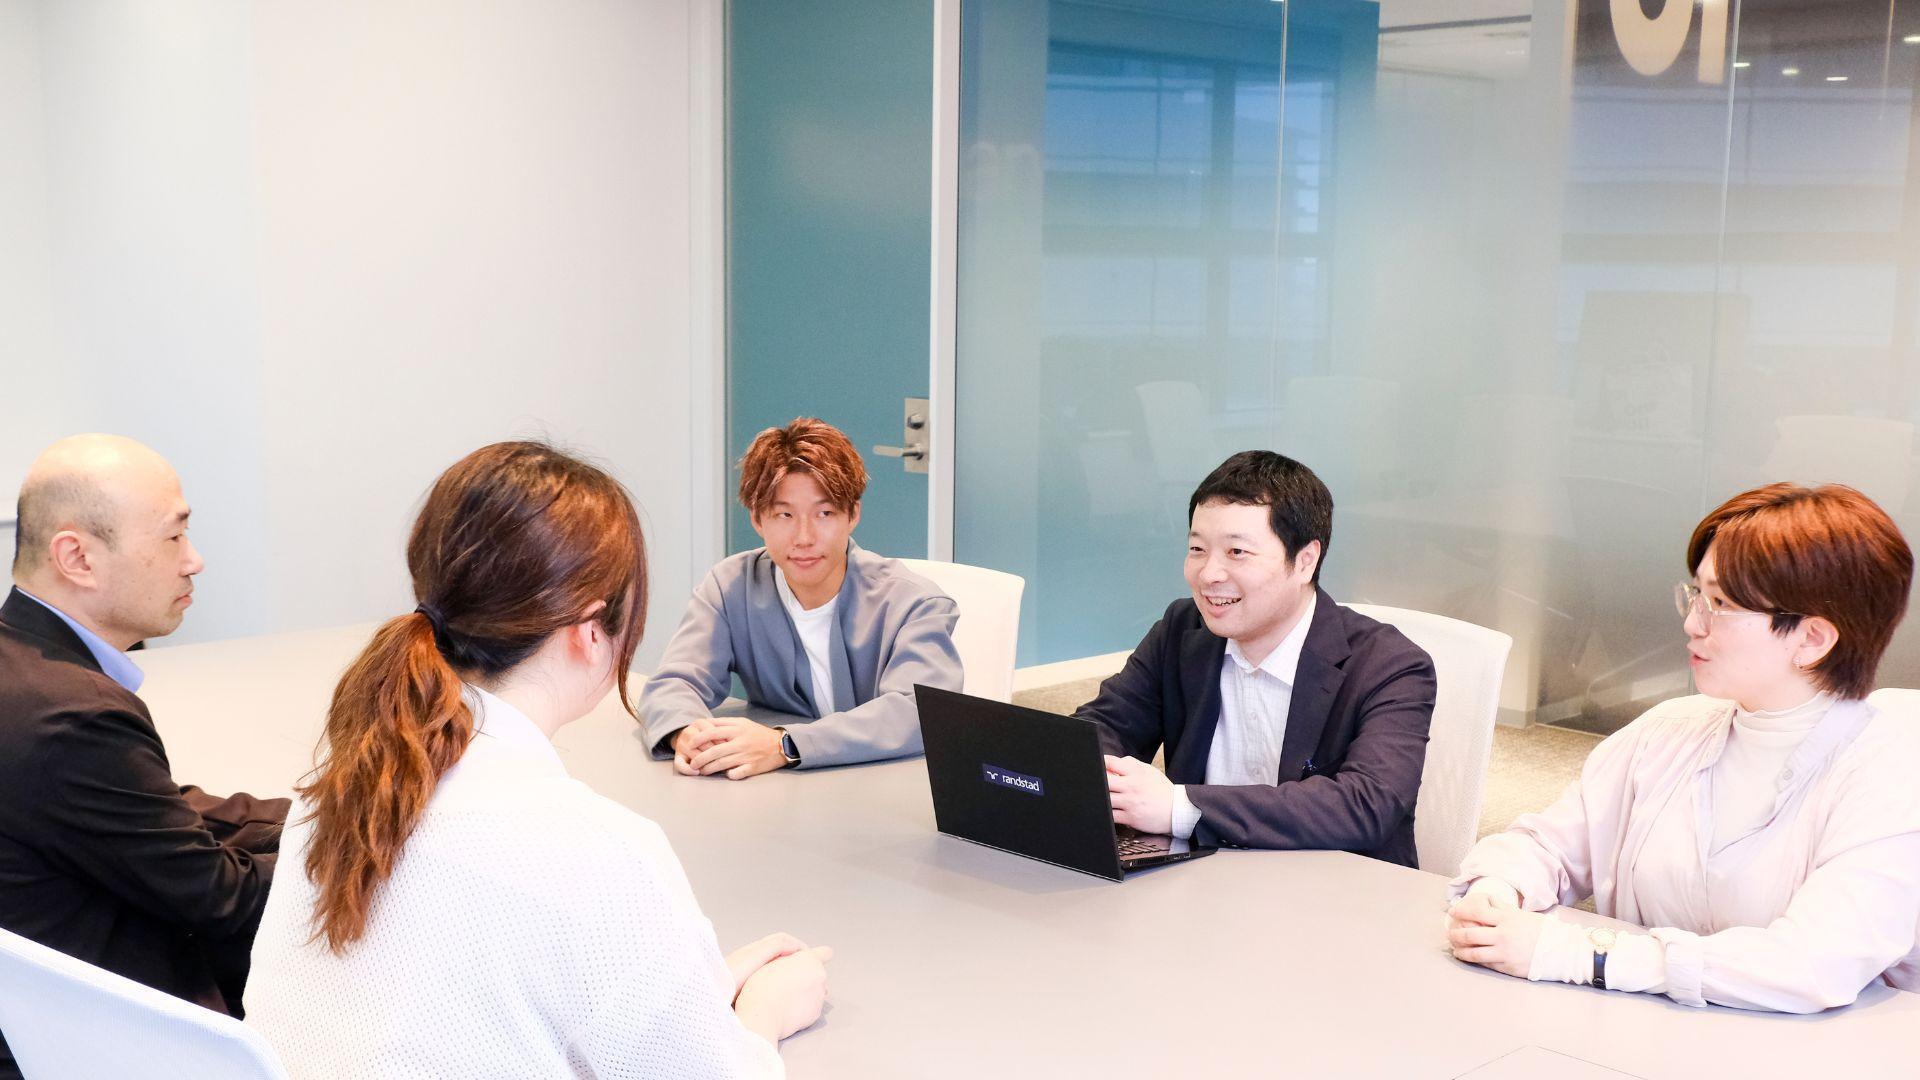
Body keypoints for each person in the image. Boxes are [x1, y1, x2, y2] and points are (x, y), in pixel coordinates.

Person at [244, 441, 829, 1077]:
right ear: (591, 630)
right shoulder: (598, 854)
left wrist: (693, 984)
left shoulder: (337, 799)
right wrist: (761, 1015)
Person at [1447, 483, 1920, 1013]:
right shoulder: (1671, 729)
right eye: (1696, 595)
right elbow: (1548, 845)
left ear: (1811, 639)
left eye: (1721, 604)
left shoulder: (1891, 776)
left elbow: (1810, 965)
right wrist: (1498, 889)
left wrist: (1584, 955)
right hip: (1633, 1029)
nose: (1693, 622)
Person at [0, 435, 286, 1078]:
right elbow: (223, 899)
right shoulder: (73, 715)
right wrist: (357, 852)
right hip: (101, 1047)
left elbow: (151, 808)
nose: (194, 561)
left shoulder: (22, 671)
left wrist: (316, 820)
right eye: (174, 536)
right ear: (77, 557)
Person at [1077, 450, 1437, 866]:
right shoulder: (1182, 630)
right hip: (1199, 880)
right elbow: (1099, 730)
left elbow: (1366, 804)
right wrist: (1107, 776)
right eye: (1197, 548)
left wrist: (1179, 807)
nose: (1209, 574)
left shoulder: (1390, 665)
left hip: (1333, 887)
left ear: (1305, 561)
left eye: (1237, 552)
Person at [640, 417, 963, 777]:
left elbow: (919, 713)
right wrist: (687, 733)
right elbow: (675, 683)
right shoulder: (730, 587)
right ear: (757, 519)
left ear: (852, 515)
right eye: (784, 514)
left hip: (887, 787)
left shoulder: (915, 605)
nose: (804, 537)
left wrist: (784, 745)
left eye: (824, 513)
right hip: (783, 791)